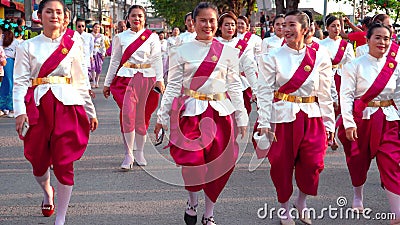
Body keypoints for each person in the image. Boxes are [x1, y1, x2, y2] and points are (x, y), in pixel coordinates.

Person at [154, 2, 248, 225]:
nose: (207, 25)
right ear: (193, 23)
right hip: (192, 114)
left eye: (212, 21)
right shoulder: (180, 51)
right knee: (193, 162)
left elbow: (234, 86)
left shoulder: (228, 52)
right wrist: (162, 117)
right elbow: (174, 86)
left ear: (217, 24)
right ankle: (192, 201)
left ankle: (209, 213)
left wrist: (242, 117)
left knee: (219, 165)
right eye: (202, 20)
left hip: (220, 114)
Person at [13, 1, 98, 224]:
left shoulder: (73, 43)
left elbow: (80, 80)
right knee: (38, 162)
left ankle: (60, 217)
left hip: (68, 106)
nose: (54, 16)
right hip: (38, 107)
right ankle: (46, 191)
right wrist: (19, 111)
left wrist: (91, 111)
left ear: (64, 16)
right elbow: (20, 82)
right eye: (49, 11)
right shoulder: (27, 46)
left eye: (58, 12)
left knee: (64, 161)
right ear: (39, 16)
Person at [257, 10, 334, 225]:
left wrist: (329, 124)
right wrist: (264, 122)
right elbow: (263, 92)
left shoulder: (319, 56)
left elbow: (325, 92)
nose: (286, 29)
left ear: (305, 29)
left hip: (311, 116)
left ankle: (301, 201)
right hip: (283, 117)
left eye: (292, 25)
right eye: (283, 25)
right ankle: (284, 206)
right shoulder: (272, 57)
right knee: (282, 165)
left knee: (313, 163)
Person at [338, 23, 400, 225]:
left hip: (388, 120)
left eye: (387, 38)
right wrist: (348, 123)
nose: (383, 42)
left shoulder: (394, 65)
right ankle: (358, 194)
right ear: (367, 40)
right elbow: (346, 96)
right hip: (362, 120)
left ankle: (397, 213)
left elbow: (398, 95)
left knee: (391, 163)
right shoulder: (354, 65)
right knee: (358, 161)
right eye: (378, 38)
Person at [103, 5, 164, 169]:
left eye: (140, 16)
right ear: (128, 19)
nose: (137, 19)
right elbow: (115, 61)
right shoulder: (120, 37)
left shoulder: (152, 37)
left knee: (143, 117)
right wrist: (107, 83)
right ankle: (128, 154)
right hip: (126, 79)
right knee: (128, 115)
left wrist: (160, 79)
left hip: (147, 79)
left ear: (144, 19)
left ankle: (140, 152)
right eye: (133, 16)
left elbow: (157, 59)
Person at [320, 15, 355, 150]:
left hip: (341, 77)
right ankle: (327, 134)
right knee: (326, 104)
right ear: (327, 28)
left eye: (338, 26)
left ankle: (333, 133)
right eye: (333, 26)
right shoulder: (321, 45)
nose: (336, 29)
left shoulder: (346, 46)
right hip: (325, 77)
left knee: (340, 106)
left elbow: (351, 64)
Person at [215, 11, 258, 115]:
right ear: (220, 27)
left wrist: (256, 90)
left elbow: (250, 68)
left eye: (232, 25)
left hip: (239, 86)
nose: (230, 28)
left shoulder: (242, 45)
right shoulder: (214, 43)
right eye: (226, 25)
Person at [0, 20, 18, 118]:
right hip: (10, 63)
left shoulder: (0, 40)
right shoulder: (15, 41)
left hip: (2, 62)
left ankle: (2, 107)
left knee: (3, 85)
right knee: (11, 84)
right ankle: (11, 108)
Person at [76, 19, 95, 98]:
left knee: (85, 75)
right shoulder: (73, 35)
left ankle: (87, 90)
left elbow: (91, 47)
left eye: (82, 26)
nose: (81, 28)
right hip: (76, 60)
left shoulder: (89, 36)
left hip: (85, 58)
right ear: (76, 27)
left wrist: (90, 56)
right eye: (79, 26)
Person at [90, 23, 106, 88]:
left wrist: (103, 53)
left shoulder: (101, 36)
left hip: (98, 53)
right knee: (93, 68)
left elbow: (103, 45)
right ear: (93, 28)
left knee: (98, 68)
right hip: (92, 53)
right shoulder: (90, 35)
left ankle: (97, 82)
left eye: (98, 27)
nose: (97, 28)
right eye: (95, 27)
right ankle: (93, 82)